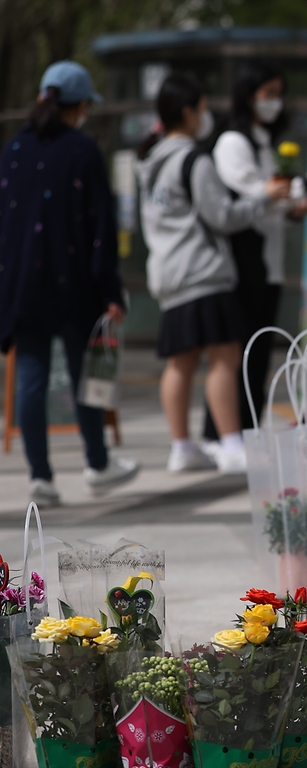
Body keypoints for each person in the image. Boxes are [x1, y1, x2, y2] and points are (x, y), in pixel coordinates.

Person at [0, 60, 140, 507]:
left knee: (31, 376)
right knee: (87, 375)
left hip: (21, 284)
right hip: (74, 284)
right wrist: (110, 290)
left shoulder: (13, 150)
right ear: (79, 105)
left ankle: (40, 477)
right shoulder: (82, 150)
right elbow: (100, 225)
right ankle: (97, 463)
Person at [136, 73, 290, 474]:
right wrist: (263, 198)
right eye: (202, 108)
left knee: (180, 361)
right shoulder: (194, 159)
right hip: (203, 270)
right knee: (224, 356)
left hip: (169, 273)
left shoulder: (149, 162)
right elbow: (222, 215)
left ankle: (181, 446)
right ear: (187, 111)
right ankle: (231, 443)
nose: (206, 116)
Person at [201, 62, 307, 452]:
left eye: (278, 93)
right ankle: (221, 435)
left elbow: (272, 202)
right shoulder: (233, 142)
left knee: (256, 354)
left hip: (266, 262)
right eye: (267, 93)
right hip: (243, 262)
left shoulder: (262, 142)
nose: (274, 102)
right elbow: (257, 194)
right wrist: (306, 182)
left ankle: (246, 434)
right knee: (237, 353)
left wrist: (294, 208)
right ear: (247, 94)